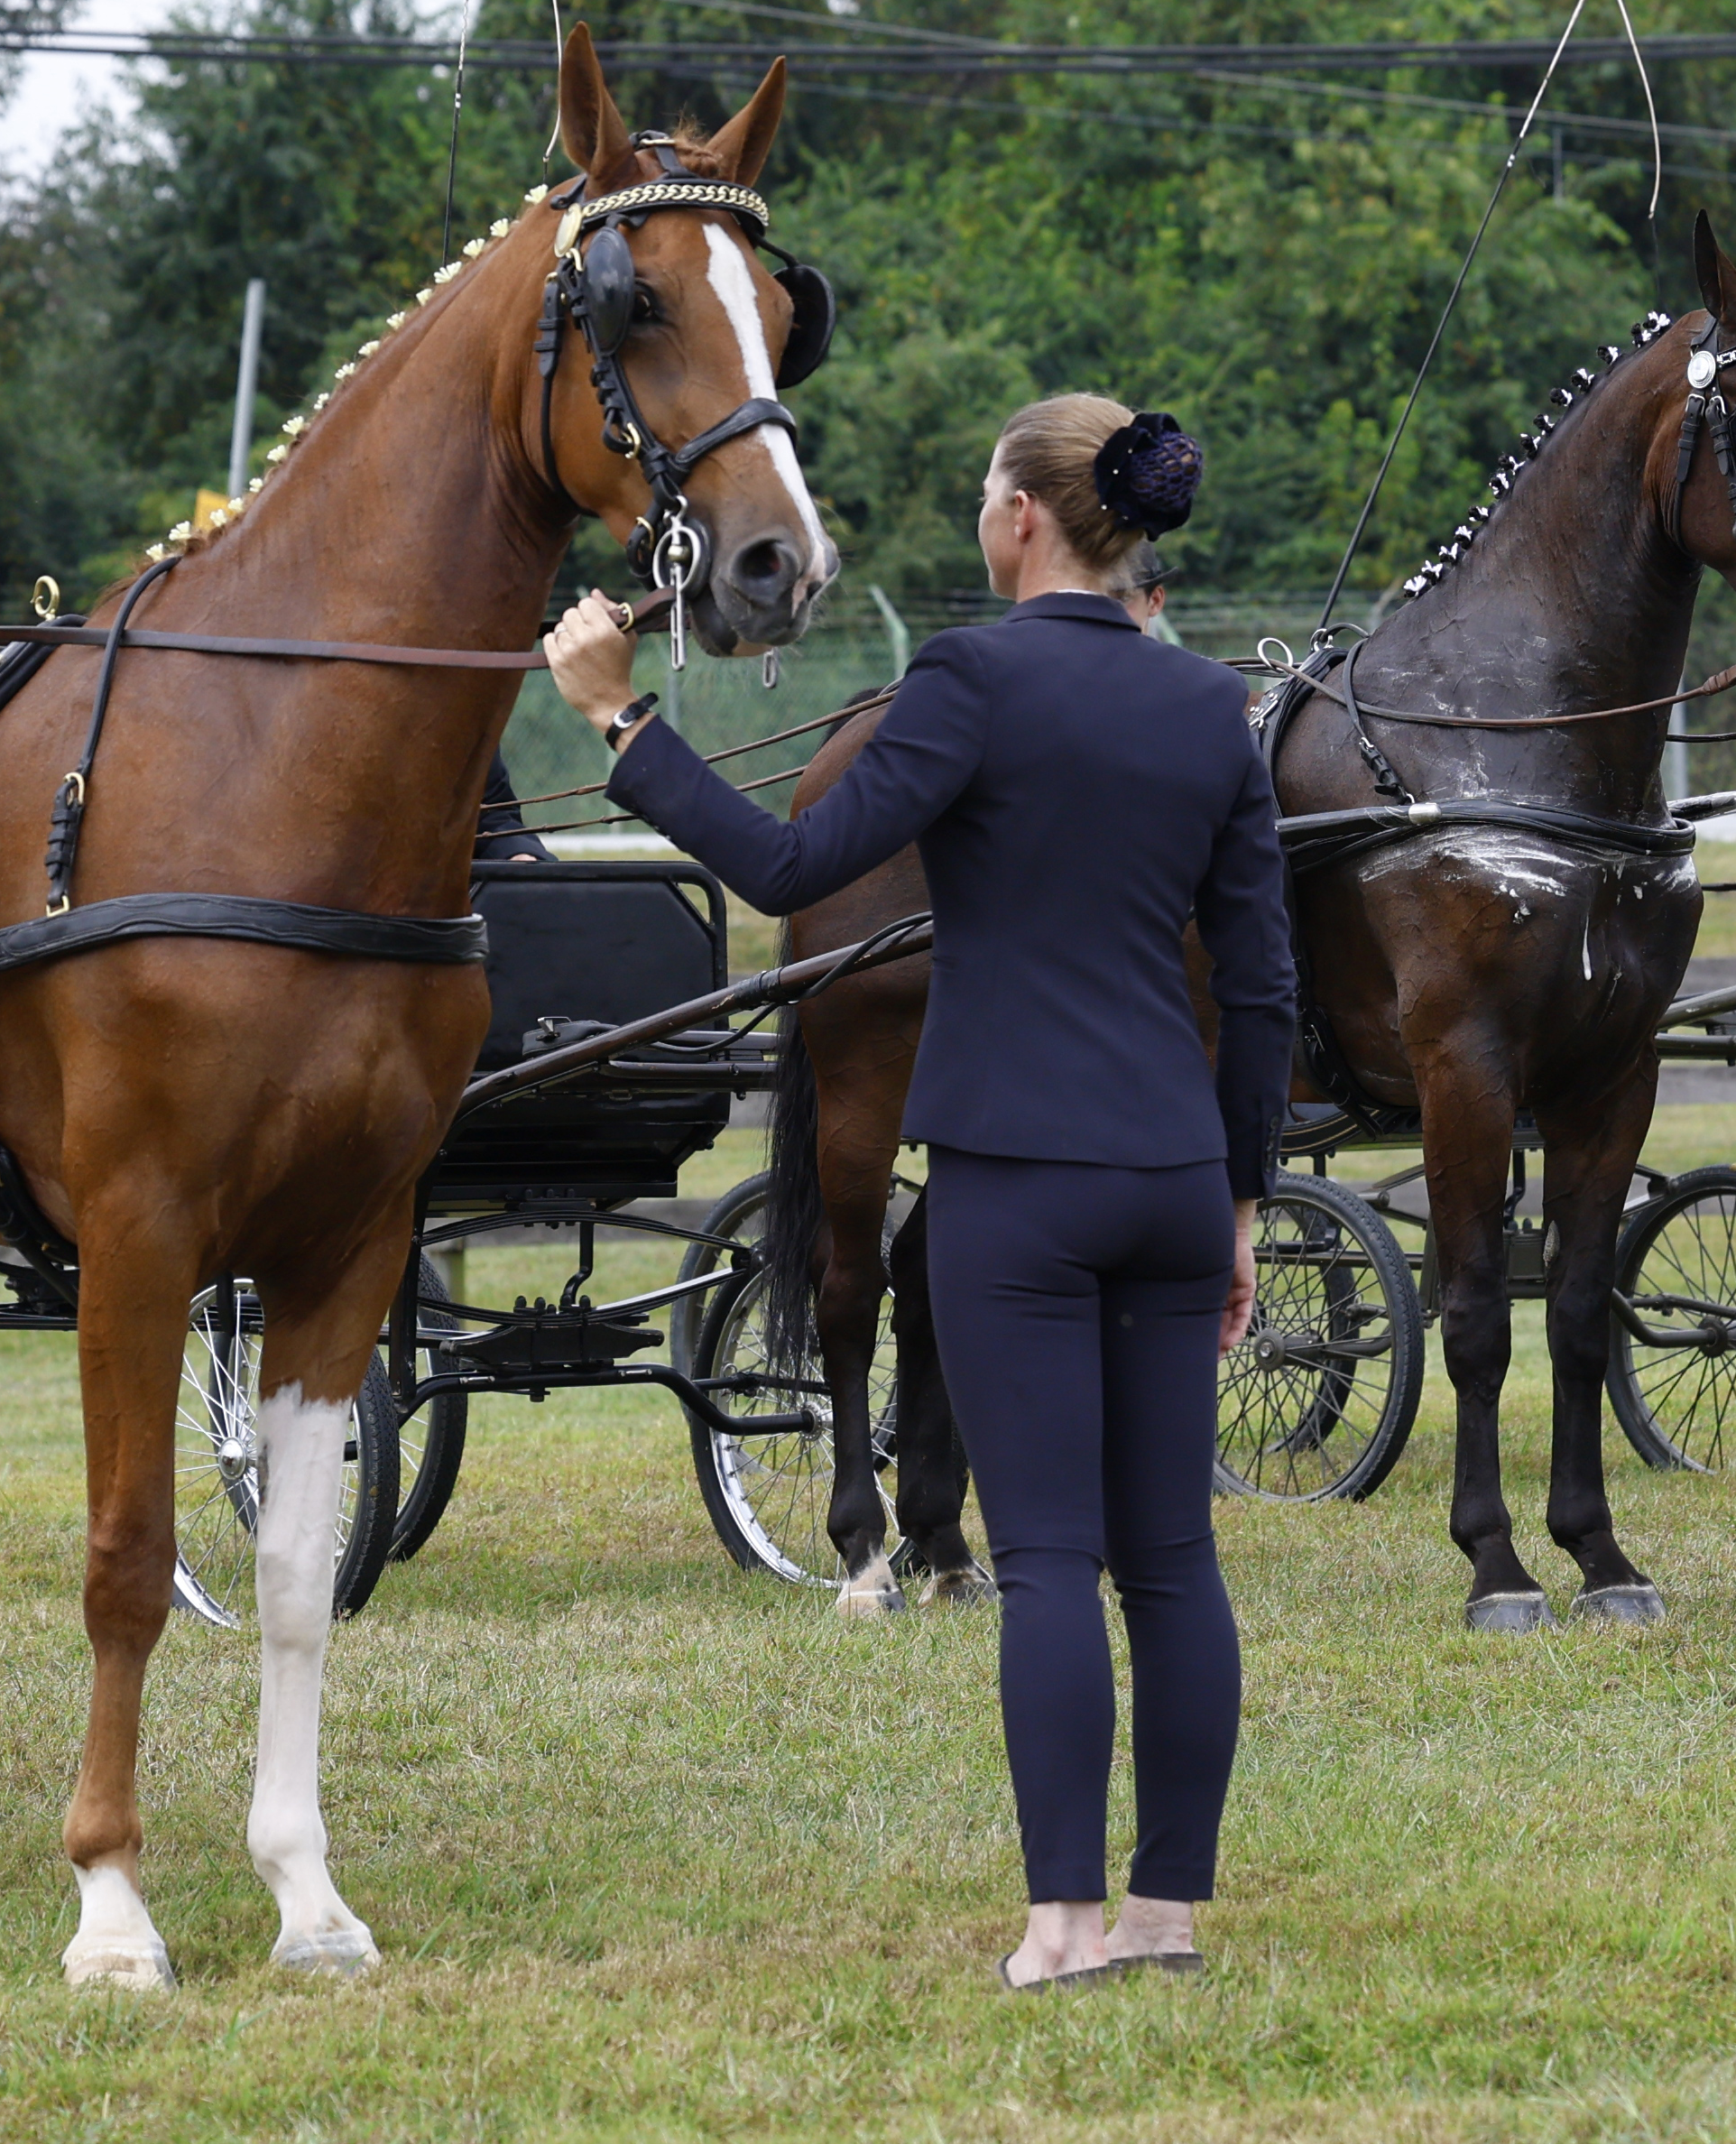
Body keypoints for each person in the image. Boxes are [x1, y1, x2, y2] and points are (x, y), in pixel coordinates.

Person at [545, 396, 1291, 1991]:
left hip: (1020, 1183)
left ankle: (1061, 1928)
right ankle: (1164, 1919)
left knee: (1043, 1565)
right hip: (1171, 1178)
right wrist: (1238, 1204)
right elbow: (1266, 990)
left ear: (1024, 516)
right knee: (1169, 1562)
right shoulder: (1209, 709)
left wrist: (622, 721)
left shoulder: (967, 681)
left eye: (981, 488)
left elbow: (790, 870)